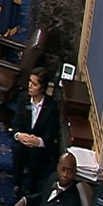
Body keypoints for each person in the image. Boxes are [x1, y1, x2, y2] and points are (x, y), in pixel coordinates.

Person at [10, 68, 60, 196]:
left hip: (39, 145)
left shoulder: (51, 106)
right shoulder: (23, 98)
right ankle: (17, 184)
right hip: (23, 141)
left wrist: (38, 141)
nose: (30, 85)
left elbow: (50, 132)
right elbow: (16, 124)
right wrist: (19, 135)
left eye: (34, 84)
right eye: (29, 81)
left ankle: (31, 187)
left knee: (36, 154)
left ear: (42, 88)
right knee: (18, 148)